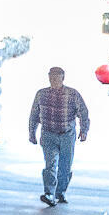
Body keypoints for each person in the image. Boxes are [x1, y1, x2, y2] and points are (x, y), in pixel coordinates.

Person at [27, 66, 90, 207]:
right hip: (48, 133)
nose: (54, 80)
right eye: (51, 77)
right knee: (50, 164)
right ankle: (49, 193)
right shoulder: (41, 94)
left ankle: (60, 192)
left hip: (67, 134)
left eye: (57, 77)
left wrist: (84, 130)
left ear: (63, 78)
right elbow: (34, 114)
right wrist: (32, 132)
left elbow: (83, 112)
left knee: (65, 166)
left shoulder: (72, 94)